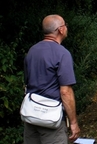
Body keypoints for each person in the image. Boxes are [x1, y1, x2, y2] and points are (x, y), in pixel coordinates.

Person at [23, 14, 80, 144]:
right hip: (51, 119)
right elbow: (65, 92)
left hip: (31, 115)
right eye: (65, 25)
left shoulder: (32, 51)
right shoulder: (62, 53)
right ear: (61, 29)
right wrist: (73, 122)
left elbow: (27, 82)